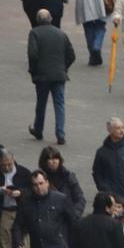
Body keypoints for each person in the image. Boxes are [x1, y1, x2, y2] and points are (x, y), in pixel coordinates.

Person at [25, 10, 74, 147]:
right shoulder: (61, 34)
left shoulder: (34, 33)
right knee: (59, 104)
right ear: (51, 19)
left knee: (41, 103)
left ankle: (38, 130)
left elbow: (32, 54)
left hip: (42, 75)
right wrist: (64, 68)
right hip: (59, 75)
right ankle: (60, 133)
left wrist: (33, 70)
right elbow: (71, 55)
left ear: (37, 19)